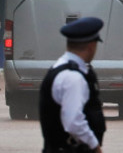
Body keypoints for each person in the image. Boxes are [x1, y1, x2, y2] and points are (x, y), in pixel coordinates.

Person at [40, 17, 106, 153]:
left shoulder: (58, 67)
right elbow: (74, 122)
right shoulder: (73, 77)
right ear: (91, 46)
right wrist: (95, 146)